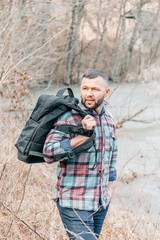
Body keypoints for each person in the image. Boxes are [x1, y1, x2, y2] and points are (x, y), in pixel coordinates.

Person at [43, 69, 118, 240]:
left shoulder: (109, 120)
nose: (89, 94)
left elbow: (112, 154)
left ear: (106, 92)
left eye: (95, 89)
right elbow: (48, 153)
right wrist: (82, 136)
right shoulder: (70, 117)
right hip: (74, 203)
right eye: (85, 88)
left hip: (101, 202)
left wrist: (110, 187)